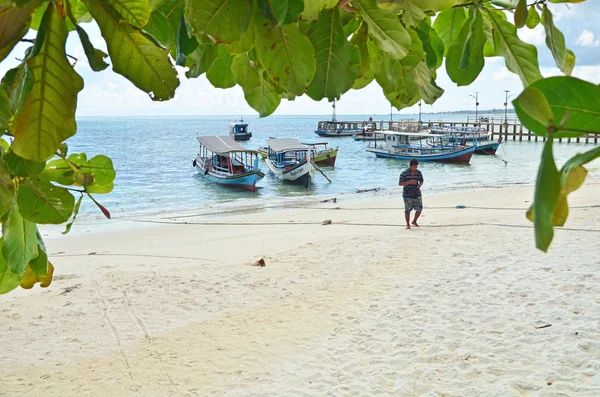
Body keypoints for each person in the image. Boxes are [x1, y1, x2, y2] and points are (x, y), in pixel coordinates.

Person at [398, 159, 424, 229]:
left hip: (417, 192)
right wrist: (409, 182)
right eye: (413, 167)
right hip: (407, 194)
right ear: (410, 166)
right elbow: (400, 183)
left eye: (416, 167)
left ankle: (414, 221)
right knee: (407, 209)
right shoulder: (404, 173)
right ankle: (407, 224)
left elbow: (421, 180)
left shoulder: (418, 172)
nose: (415, 168)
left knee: (420, 208)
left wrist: (420, 185)